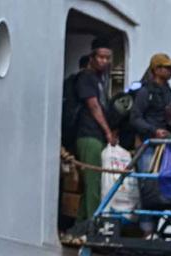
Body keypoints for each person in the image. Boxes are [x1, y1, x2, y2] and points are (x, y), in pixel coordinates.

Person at [131, 53, 171, 237]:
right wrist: (153, 131)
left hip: (163, 145)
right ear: (156, 70)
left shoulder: (167, 91)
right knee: (148, 187)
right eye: (167, 67)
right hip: (148, 145)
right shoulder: (145, 92)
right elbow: (135, 118)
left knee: (161, 188)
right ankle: (146, 229)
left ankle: (155, 228)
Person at [76, 39, 118, 221]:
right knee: (93, 183)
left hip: (96, 135)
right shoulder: (86, 78)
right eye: (100, 57)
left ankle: (82, 223)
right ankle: (93, 223)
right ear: (92, 57)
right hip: (88, 134)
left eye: (107, 58)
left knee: (92, 184)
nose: (104, 61)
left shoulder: (100, 80)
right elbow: (93, 106)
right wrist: (108, 131)